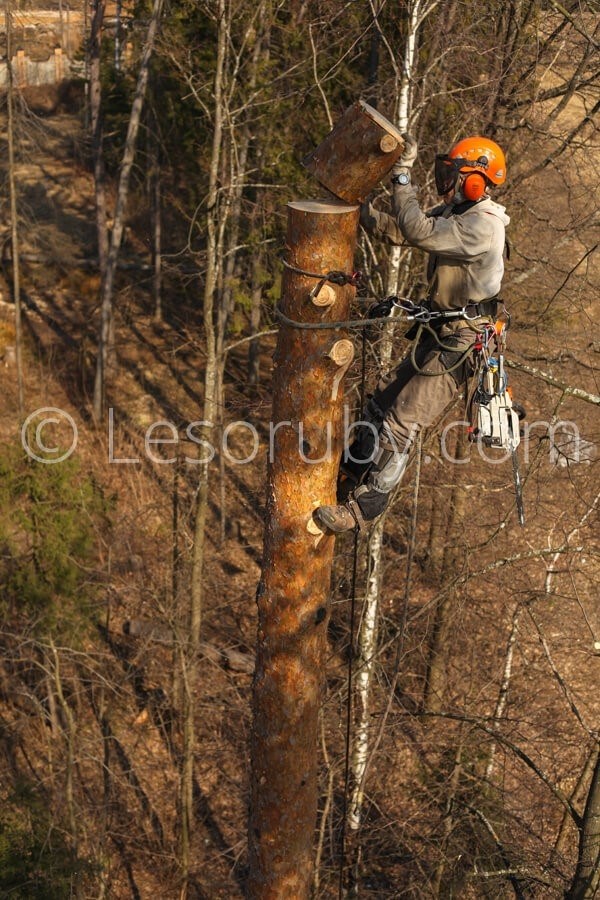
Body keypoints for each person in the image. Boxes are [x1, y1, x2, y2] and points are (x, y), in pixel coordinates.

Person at [314, 134, 510, 534]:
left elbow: (418, 230)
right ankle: (350, 472)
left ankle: (361, 510)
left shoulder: (482, 226)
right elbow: (401, 229)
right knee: (381, 404)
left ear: (476, 180)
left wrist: (402, 177)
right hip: (440, 329)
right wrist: (354, 206)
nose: (449, 182)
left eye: (455, 175)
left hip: (463, 341)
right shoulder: (459, 213)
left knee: (402, 421)